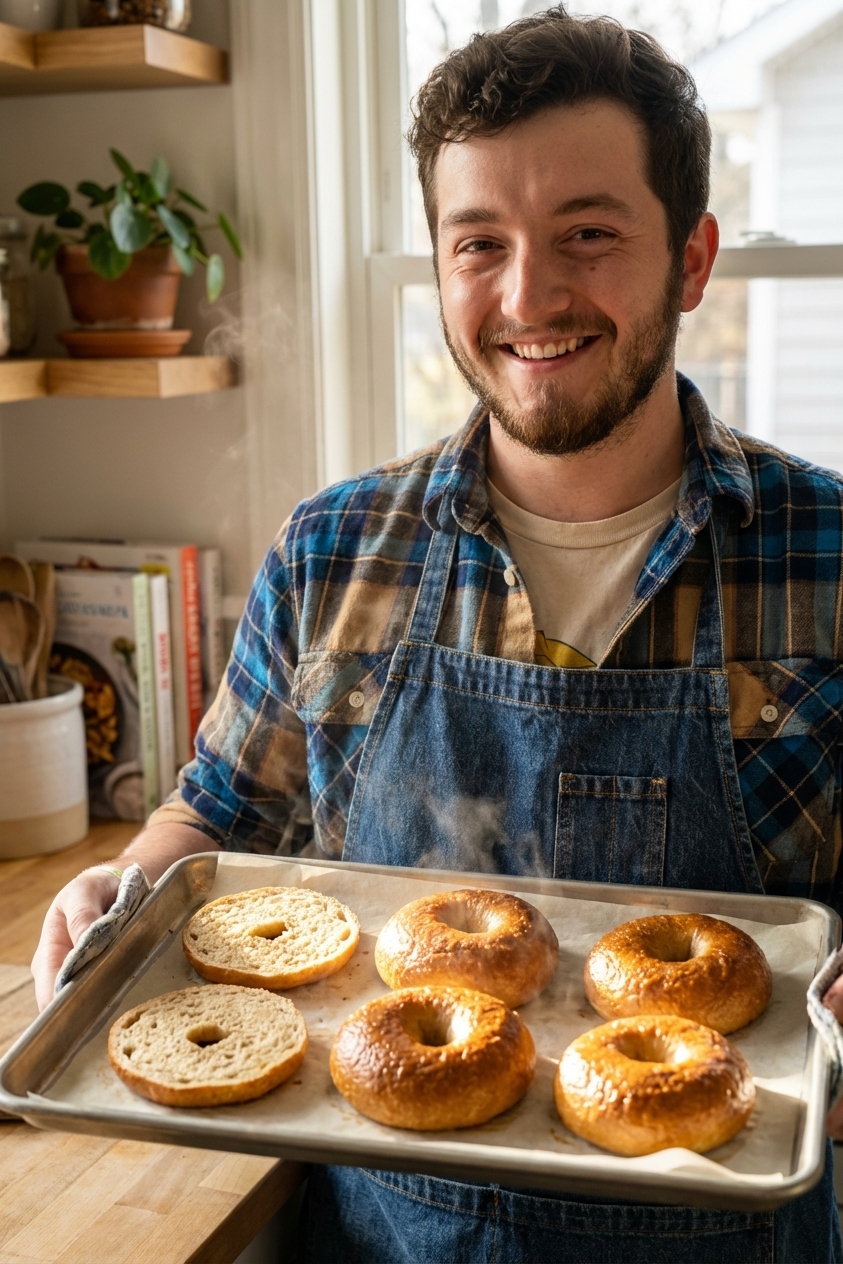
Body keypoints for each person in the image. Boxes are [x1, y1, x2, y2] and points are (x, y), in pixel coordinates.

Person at [31, 7, 843, 1261]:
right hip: (388, 1235)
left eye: (588, 234)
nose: (528, 296)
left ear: (691, 260)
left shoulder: (828, 553)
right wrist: (119, 887)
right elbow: (216, 824)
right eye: (480, 243)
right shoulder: (335, 549)